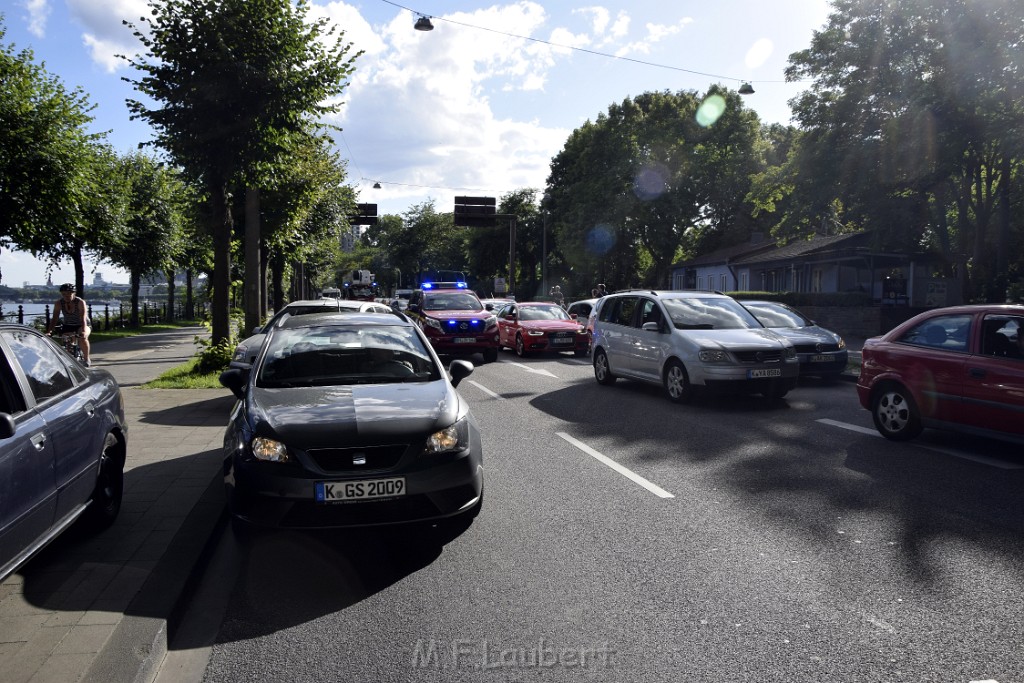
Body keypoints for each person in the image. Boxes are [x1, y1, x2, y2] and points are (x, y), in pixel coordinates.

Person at [47, 282, 92, 366]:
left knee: (83, 338)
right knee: (67, 340)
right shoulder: (59, 303)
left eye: (69, 294)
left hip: (82, 324)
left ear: (73, 293)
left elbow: (83, 317)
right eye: (64, 294)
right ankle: (71, 359)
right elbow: (55, 318)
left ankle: (86, 359)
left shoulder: (80, 302)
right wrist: (49, 331)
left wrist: (82, 331)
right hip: (68, 325)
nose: (66, 296)